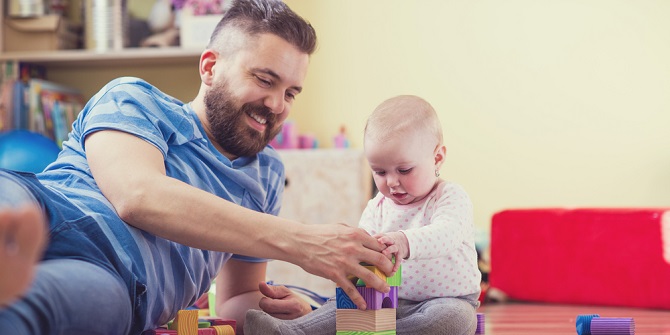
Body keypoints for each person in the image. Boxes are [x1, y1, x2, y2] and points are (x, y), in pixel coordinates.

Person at [0, 0, 394, 334]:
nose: (277, 105)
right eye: (264, 79)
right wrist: (303, 242)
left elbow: (237, 298)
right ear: (209, 67)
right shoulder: (135, 98)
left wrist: (297, 307)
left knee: (37, 308)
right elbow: (137, 196)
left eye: (290, 93)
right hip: (46, 205)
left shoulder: (267, 173)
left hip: (120, 280)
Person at [245, 95, 482, 334]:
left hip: (445, 300)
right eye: (379, 171)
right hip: (383, 300)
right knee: (343, 305)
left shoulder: (449, 196)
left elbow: (446, 234)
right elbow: (361, 250)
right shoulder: (377, 206)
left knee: (455, 319)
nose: (391, 182)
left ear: (437, 158)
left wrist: (404, 241)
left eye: (404, 170)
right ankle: (293, 330)